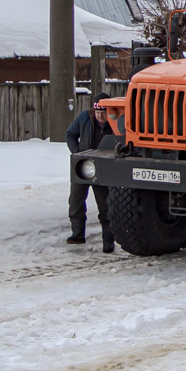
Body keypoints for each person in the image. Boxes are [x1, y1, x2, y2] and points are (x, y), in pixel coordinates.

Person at [66, 92, 116, 252]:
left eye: (104, 113)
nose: (101, 116)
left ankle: (108, 241)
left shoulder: (116, 122)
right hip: (83, 166)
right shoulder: (84, 118)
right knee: (75, 200)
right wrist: (77, 153)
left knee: (105, 205)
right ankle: (77, 234)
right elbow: (70, 134)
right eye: (98, 113)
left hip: (104, 169)